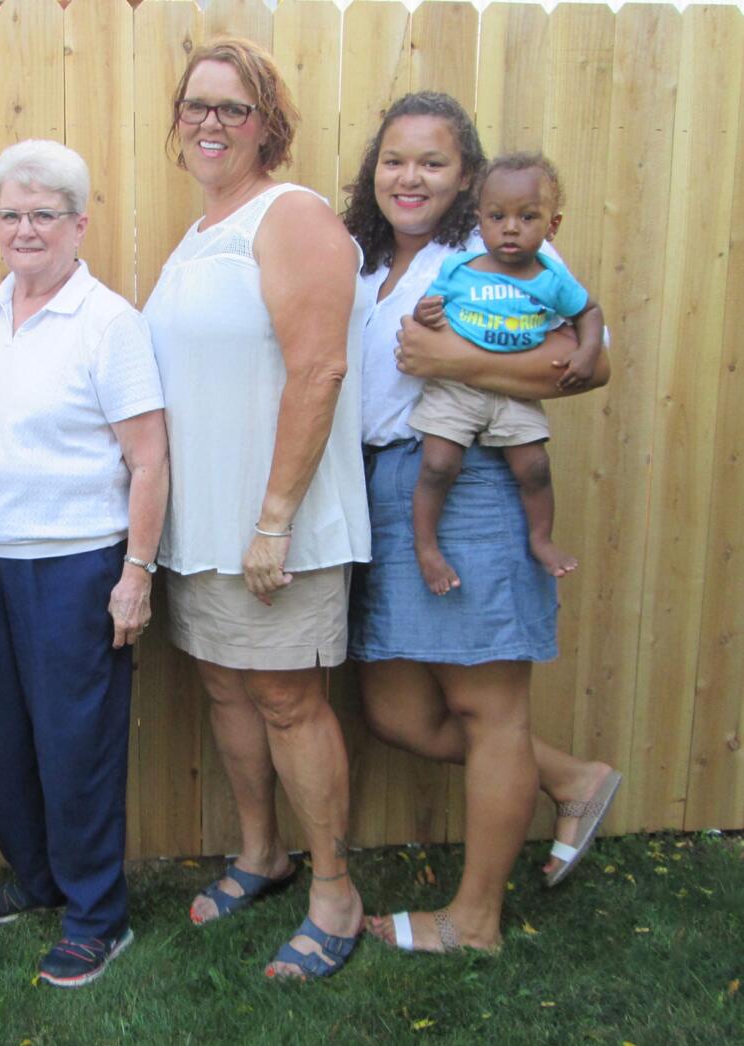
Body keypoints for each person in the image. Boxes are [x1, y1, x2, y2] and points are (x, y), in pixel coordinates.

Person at [342, 92, 623, 954]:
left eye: (433, 160)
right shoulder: (366, 261)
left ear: (466, 174)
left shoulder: (495, 244)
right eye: (395, 159)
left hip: (471, 488)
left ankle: (474, 921)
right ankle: (572, 778)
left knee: (486, 705)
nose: (410, 176)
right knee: (394, 709)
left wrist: (450, 359)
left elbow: (585, 361)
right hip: (385, 489)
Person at [142, 39, 370, 981]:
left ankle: (333, 891)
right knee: (228, 686)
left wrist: (274, 517)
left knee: (286, 697)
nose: (210, 122)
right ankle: (259, 853)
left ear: (267, 124)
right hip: (204, 527)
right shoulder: (202, 234)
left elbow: (318, 369)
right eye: (197, 105)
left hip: (279, 525)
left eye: (233, 108)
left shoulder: (291, 216)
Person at [0, 139, 168, 989]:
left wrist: (136, 574)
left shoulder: (110, 323)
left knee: (77, 748)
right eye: (12, 214)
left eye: (44, 214)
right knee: (3, 742)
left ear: (79, 224)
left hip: (77, 569)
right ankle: (39, 881)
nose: (25, 230)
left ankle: (98, 918)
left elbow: (148, 458)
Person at [408, 152, 605, 595]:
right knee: (438, 465)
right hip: (454, 390)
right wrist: (425, 313)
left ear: (552, 225)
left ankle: (540, 538)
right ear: (480, 220)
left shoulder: (551, 279)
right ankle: (425, 546)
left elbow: (589, 311)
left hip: (515, 393)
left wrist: (588, 350)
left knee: (534, 467)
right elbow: (426, 313)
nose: (511, 227)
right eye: (497, 216)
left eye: (527, 216)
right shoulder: (460, 270)